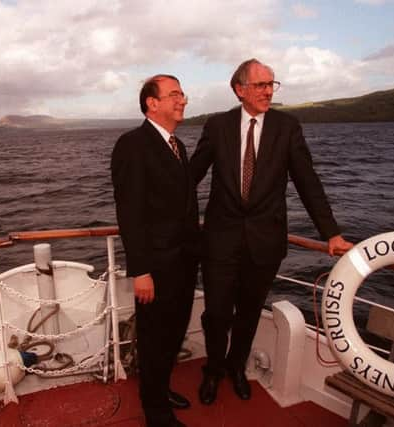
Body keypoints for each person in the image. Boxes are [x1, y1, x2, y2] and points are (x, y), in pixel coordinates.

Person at [189, 59, 353, 405]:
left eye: (271, 85)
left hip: (265, 241)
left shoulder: (287, 127)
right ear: (240, 89)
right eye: (261, 85)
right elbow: (191, 177)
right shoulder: (217, 126)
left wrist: (331, 232)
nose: (268, 91)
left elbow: (308, 181)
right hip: (220, 240)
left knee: (249, 311)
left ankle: (236, 367)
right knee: (217, 312)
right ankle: (214, 369)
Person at [111, 74, 199, 427]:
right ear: (152, 102)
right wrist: (141, 271)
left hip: (183, 262)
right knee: (153, 338)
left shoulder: (178, 146)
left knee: (174, 333)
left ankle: (160, 390)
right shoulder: (132, 144)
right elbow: (129, 213)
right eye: (175, 94)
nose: (183, 99)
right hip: (157, 267)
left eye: (183, 93)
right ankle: (155, 411)